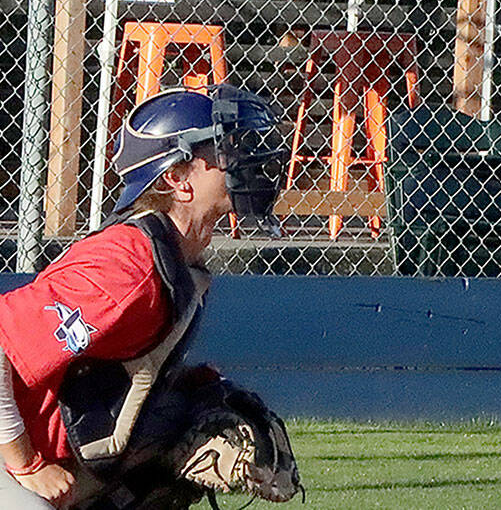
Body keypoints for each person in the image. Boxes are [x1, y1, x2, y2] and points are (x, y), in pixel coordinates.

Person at [0, 84, 294, 509]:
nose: (241, 159)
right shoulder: (127, 267)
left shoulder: (174, 258)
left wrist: (183, 391)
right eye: (222, 150)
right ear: (177, 179)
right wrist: (27, 465)